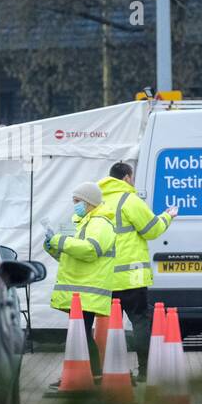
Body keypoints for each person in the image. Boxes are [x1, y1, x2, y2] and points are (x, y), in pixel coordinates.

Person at [99, 162, 178, 381]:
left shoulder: (98, 201)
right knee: (140, 323)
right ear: (126, 178)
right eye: (132, 178)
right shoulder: (129, 200)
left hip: (105, 277)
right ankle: (144, 371)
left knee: (108, 326)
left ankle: (108, 373)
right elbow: (151, 229)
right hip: (131, 277)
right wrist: (167, 216)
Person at [43, 181, 117, 379]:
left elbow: (90, 250)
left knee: (82, 335)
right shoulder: (80, 222)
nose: (74, 204)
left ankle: (90, 376)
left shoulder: (101, 223)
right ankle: (89, 376)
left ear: (89, 202)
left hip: (88, 290)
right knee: (81, 335)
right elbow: (68, 255)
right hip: (80, 291)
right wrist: (51, 245)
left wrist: (59, 240)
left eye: (77, 201)